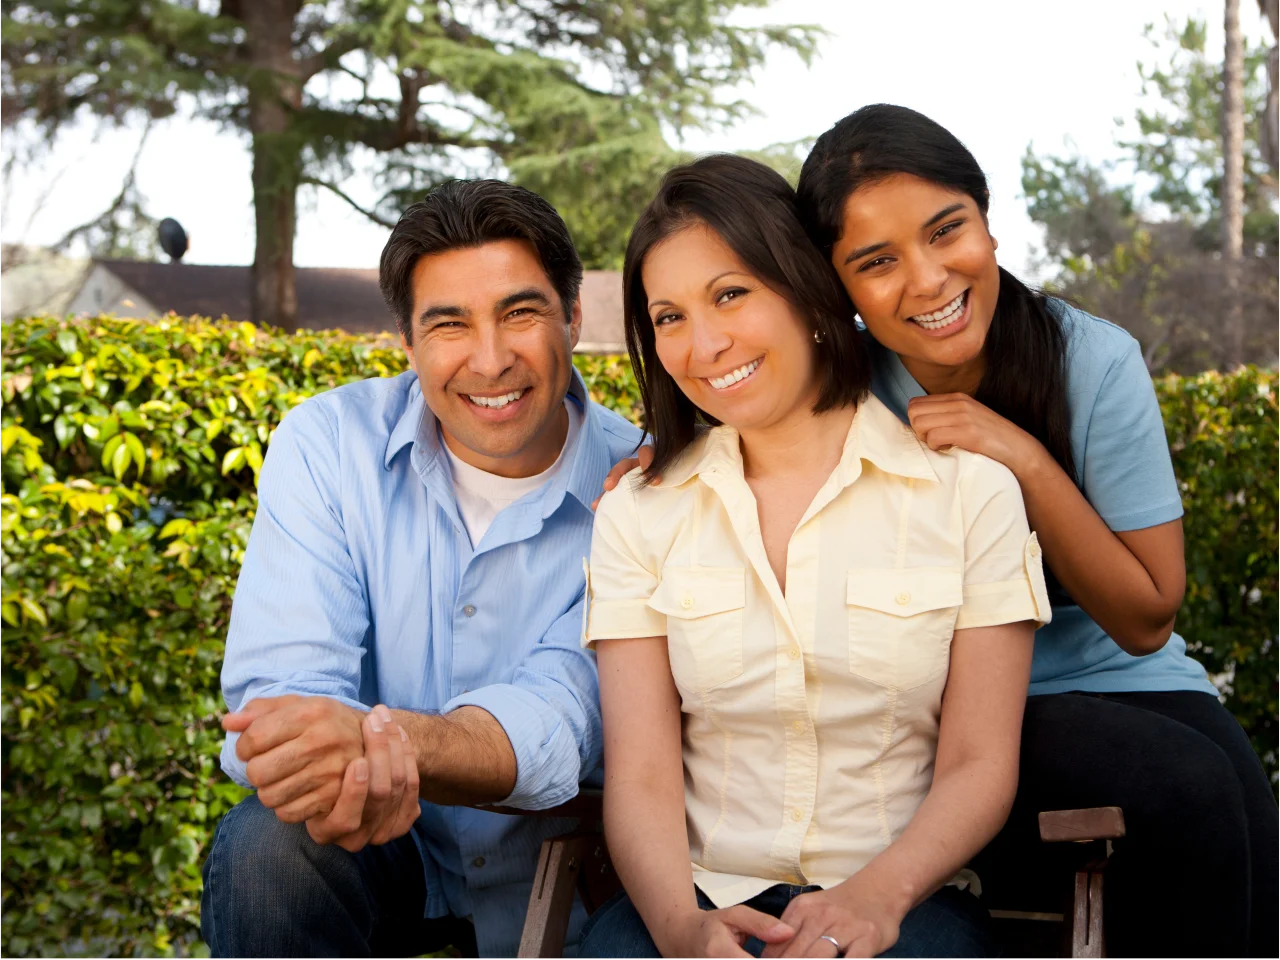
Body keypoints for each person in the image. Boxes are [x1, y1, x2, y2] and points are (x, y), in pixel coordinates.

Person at [790, 104, 1278, 958]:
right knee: (1188, 785)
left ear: (986, 220)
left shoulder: (1092, 360)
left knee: (1246, 813)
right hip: (953, 701)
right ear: (838, 288)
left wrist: (1021, 457)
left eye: (948, 231)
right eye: (878, 262)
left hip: (1115, 671)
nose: (930, 279)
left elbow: (1147, 615)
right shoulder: (839, 383)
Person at [580, 154, 1051, 960]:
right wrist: (681, 929)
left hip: (905, 906)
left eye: (730, 295)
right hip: (697, 899)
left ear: (803, 290)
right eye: (669, 317)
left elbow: (978, 763)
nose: (705, 343)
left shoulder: (971, 496)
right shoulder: (636, 514)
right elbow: (643, 778)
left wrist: (877, 899)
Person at [200, 179, 642, 958]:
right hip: (370, 839)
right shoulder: (328, 444)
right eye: (449, 324)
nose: (491, 359)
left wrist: (376, 739)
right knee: (268, 852)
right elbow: (279, 698)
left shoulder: (644, 481)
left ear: (573, 316)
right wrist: (322, 758)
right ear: (406, 341)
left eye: (521, 313)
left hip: (570, 872)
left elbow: (567, 712)